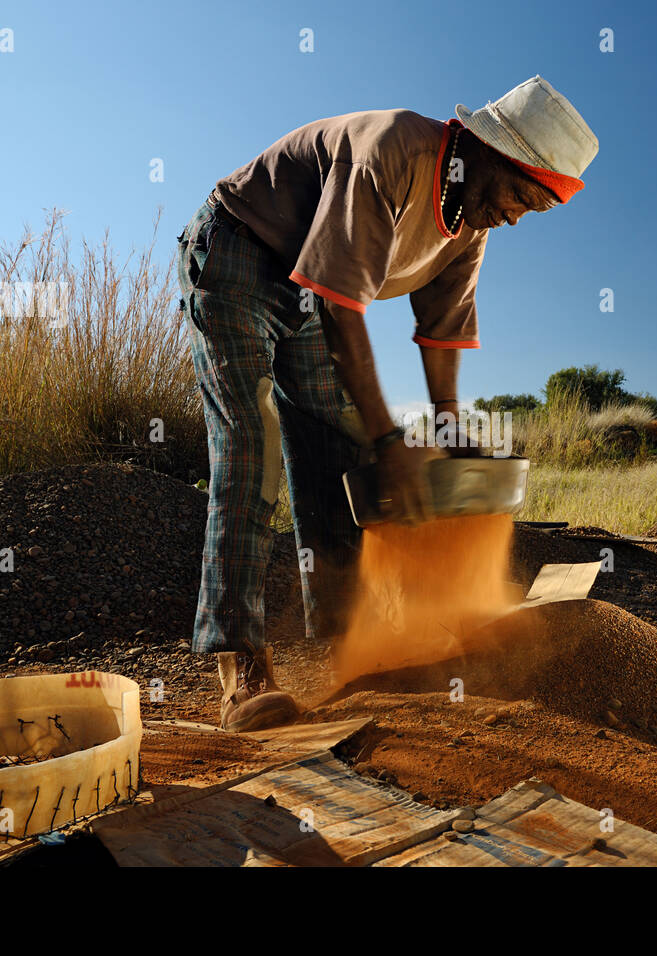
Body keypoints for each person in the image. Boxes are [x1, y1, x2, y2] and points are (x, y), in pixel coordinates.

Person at [176, 75, 598, 731]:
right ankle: (240, 668)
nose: (517, 215)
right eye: (521, 195)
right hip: (240, 251)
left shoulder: (471, 221)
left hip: (309, 292)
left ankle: (352, 648)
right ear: (488, 152)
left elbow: (443, 329)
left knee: (336, 457)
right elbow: (343, 307)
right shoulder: (394, 152)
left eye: (535, 210)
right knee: (251, 446)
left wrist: (450, 429)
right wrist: (388, 440)